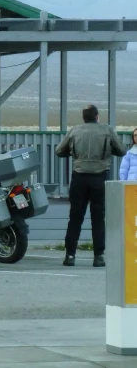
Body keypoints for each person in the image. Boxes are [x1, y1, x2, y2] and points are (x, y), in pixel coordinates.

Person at [56, 105, 126, 268]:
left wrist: (74, 154)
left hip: (79, 177)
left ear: (84, 117)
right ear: (97, 116)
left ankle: (70, 255)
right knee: (98, 218)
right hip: (99, 177)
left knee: (75, 217)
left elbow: (59, 151)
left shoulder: (74, 130)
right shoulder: (107, 130)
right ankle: (98, 256)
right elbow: (121, 150)